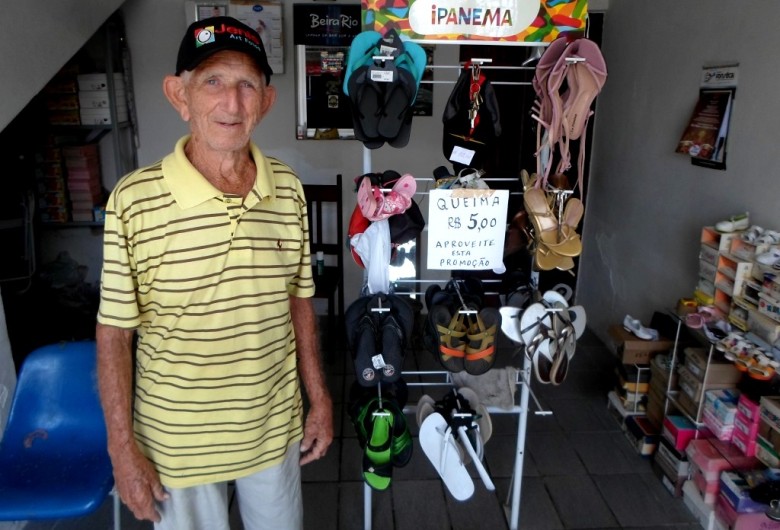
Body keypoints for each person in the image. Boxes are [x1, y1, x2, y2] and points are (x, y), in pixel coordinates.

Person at [96, 16, 333, 530]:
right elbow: (115, 332)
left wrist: (319, 399)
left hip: (271, 427)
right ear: (179, 95)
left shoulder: (288, 189)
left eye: (247, 83)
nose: (232, 103)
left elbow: (299, 301)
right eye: (213, 82)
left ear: (266, 101)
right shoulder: (133, 201)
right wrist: (121, 448)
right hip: (175, 443)